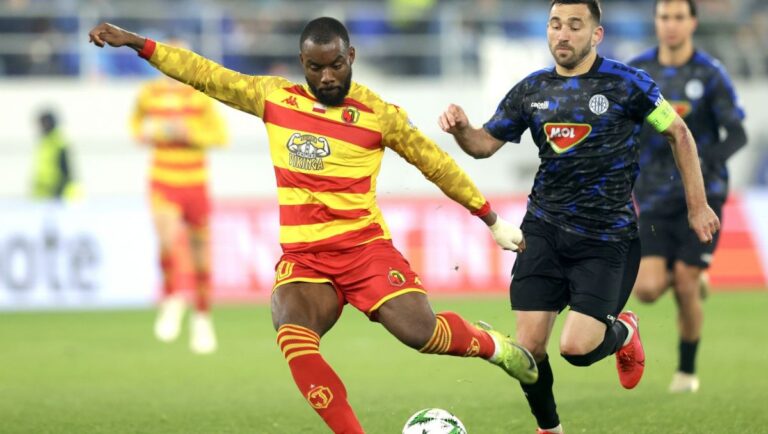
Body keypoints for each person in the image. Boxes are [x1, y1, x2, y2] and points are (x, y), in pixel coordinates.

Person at [89, 17, 538, 434]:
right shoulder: (274, 98)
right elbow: (204, 74)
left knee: (423, 335)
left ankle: (494, 347)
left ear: (351, 57)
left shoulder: (379, 115)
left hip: (364, 251)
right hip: (305, 261)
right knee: (294, 337)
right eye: (315, 67)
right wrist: (138, 43)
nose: (326, 77)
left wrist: (490, 218)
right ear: (301, 62)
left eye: (336, 65)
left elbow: (436, 165)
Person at [438, 0, 720, 432]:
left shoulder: (629, 84)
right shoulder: (531, 90)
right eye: (555, 24)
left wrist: (697, 206)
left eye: (574, 25)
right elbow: (482, 145)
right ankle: (549, 429)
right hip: (543, 231)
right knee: (528, 351)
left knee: (577, 349)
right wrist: (462, 129)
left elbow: (678, 132)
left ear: (596, 34)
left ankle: (624, 332)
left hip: (607, 240)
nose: (563, 34)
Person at [628, 0, 747, 393]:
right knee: (646, 290)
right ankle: (693, 274)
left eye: (679, 17)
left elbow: (737, 133)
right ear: (656, 21)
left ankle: (686, 371)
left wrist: (704, 162)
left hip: (702, 196)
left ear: (693, 22)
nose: (671, 24)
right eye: (664, 17)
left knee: (684, 282)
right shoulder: (638, 72)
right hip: (653, 195)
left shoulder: (709, 73)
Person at [130, 43, 229, 355]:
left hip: (195, 183)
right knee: (167, 241)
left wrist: (189, 133)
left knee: (201, 256)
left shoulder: (200, 95)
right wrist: (146, 134)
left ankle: (202, 316)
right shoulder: (149, 93)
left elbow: (220, 136)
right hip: (163, 180)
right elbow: (135, 126)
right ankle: (172, 297)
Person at [31, 109, 80, 201]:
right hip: (44, 194)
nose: (41, 127)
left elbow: (66, 170)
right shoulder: (45, 142)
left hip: (57, 195)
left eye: (43, 123)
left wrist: (59, 190)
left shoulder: (58, 142)